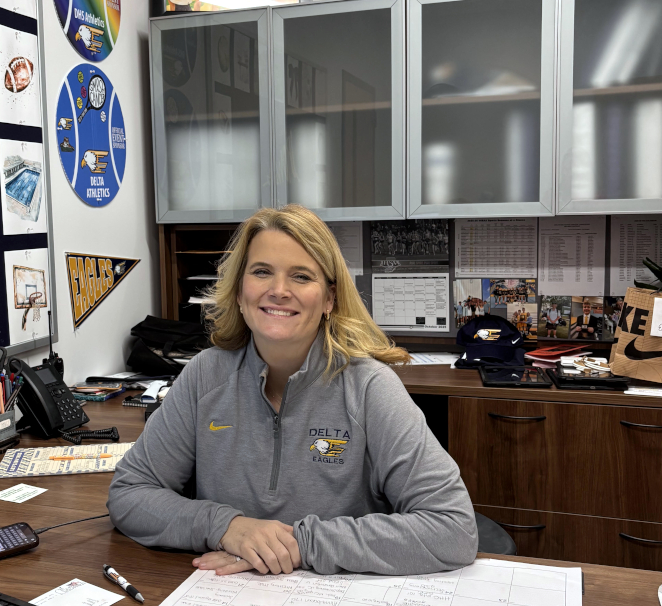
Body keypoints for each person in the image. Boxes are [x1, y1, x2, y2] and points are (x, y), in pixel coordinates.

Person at [108, 205, 477, 577]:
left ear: (329, 299)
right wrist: (226, 527)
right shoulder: (205, 375)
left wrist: (300, 545)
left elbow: (453, 528)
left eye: (301, 276)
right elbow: (129, 494)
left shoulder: (370, 387)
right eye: (262, 272)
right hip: (224, 600)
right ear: (239, 291)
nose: (279, 291)